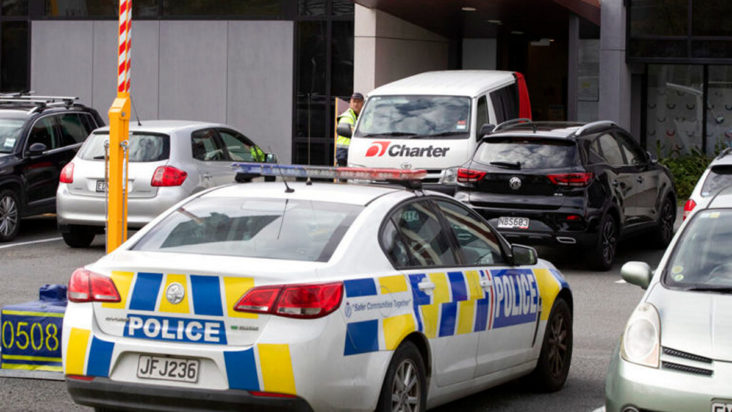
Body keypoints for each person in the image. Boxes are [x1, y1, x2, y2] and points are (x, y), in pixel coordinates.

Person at [336, 92, 364, 166]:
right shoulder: (347, 116)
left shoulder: (364, 116)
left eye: (358, 102)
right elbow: (353, 131)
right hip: (344, 152)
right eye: (354, 101)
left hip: (356, 152)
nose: (356, 104)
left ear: (363, 103)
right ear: (350, 103)